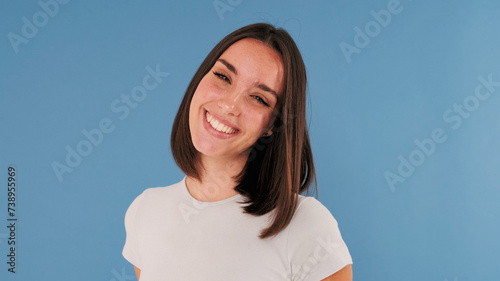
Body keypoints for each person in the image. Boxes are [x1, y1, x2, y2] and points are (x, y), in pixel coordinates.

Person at [122, 23, 353, 280]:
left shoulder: (305, 224)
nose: (230, 105)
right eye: (223, 76)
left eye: (259, 98)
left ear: (271, 126)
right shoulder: (146, 210)